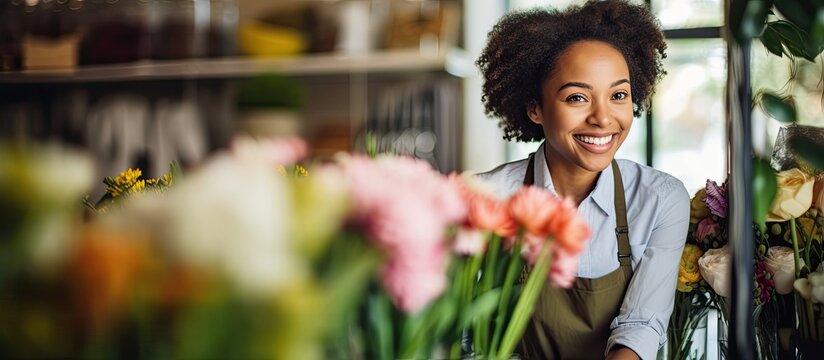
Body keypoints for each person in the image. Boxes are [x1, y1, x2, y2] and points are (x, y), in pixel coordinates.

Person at [475, 1, 690, 359]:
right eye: (577, 97)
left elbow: (641, 326)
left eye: (618, 95)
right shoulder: (488, 199)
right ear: (535, 109)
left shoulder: (660, 199)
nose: (603, 119)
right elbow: (467, 339)